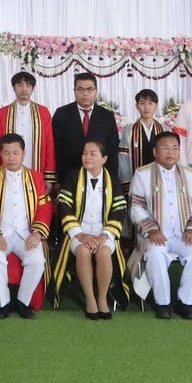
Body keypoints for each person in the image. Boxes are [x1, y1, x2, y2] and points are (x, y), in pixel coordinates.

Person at [128, 131, 192, 320]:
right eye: (165, 148)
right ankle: (163, 302)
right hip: (156, 235)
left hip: (183, 234)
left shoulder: (190, 174)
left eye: (175, 148)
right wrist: (152, 229)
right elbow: (136, 206)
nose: (170, 152)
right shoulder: (142, 174)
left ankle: (186, 301)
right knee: (156, 254)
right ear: (155, 152)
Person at [0, 133, 52, 318]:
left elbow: (45, 207)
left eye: (16, 153)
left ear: (24, 153)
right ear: (0, 153)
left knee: (37, 260)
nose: (11, 157)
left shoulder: (36, 177)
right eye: (7, 153)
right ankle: (3, 303)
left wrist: (37, 234)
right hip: (0, 234)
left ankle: (23, 302)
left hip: (26, 234)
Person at [54, 137, 125, 320]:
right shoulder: (73, 177)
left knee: (103, 252)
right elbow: (63, 205)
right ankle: (90, 299)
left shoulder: (112, 179)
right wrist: (80, 234)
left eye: (93, 154)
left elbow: (119, 209)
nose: (87, 157)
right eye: (85, 153)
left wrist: (104, 236)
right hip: (78, 231)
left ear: (104, 158)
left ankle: (102, 298)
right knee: (83, 251)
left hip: (104, 232)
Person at [52, 71, 121, 185]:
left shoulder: (106, 116)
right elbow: (55, 148)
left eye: (89, 89)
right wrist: (56, 180)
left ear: (96, 91)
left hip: (99, 178)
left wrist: (112, 180)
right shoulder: (62, 114)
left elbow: (112, 150)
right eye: (80, 89)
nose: (85, 94)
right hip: (68, 178)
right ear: (74, 91)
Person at [0, 71, 55, 183]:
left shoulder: (43, 112)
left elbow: (49, 145)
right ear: (13, 88)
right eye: (20, 85)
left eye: (28, 85)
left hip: (36, 167)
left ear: (33, 88)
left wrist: (48, 177)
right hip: (8, 170)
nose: (24, 89)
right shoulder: (2, 113)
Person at [118, 88, 170, 189]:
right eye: (142, 103)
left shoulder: (165, 130)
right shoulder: (129, 132)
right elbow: (123, 160)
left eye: (150, 103)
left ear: (156, 106)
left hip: (161, 182)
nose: (146, 107)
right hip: (136, 184)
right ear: (137, 106)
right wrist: (127, 184)